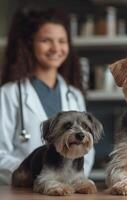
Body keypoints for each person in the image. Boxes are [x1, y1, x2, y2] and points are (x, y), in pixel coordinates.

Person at [0, 8, 94, 184]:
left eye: (62, 41)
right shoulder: (9, 94)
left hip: (70, 190)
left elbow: (86, 152)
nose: (56, 48)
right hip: (24, 190)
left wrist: (72, 177)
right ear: (29, 44)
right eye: (46, 41)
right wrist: (39, 173)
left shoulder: (73, 94)